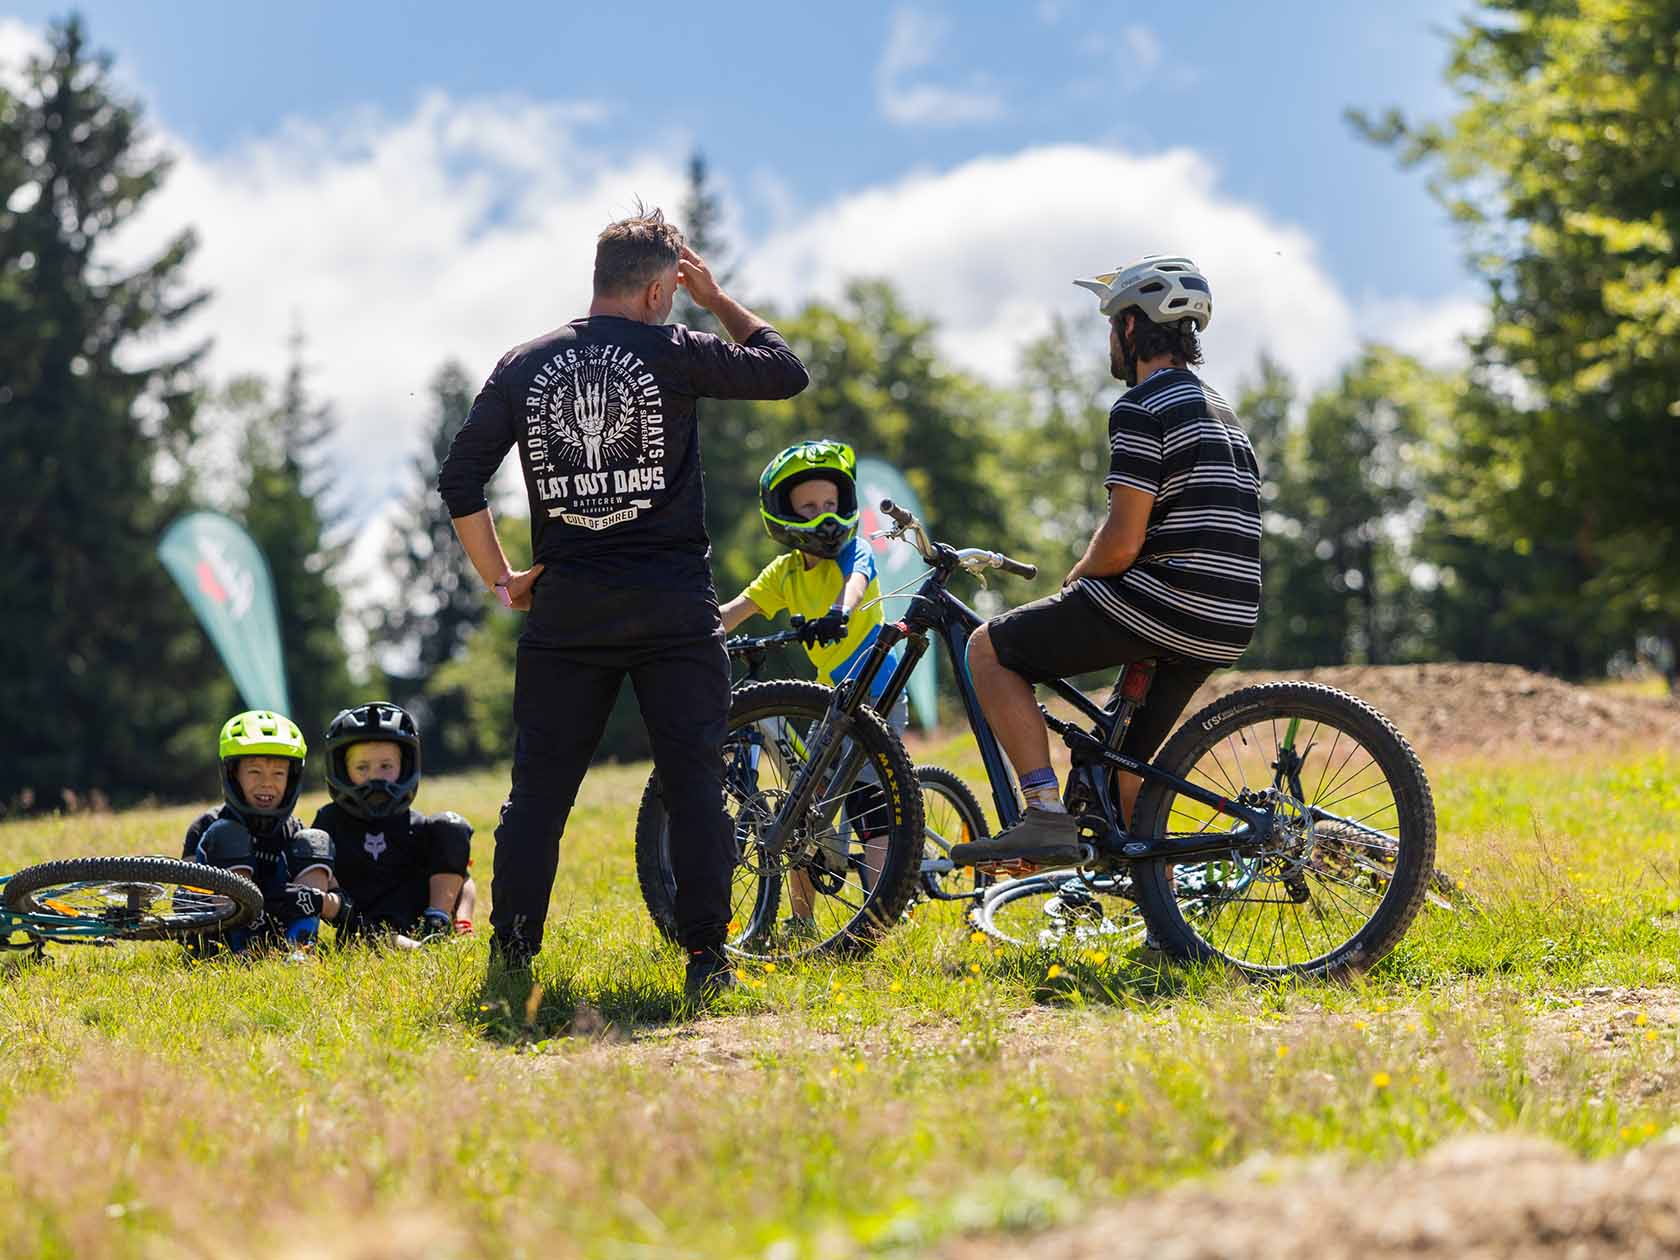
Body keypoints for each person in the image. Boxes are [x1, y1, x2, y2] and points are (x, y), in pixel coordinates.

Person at [437, 204, 809, 1003]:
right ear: (655, 291)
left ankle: (512, 958)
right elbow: (784, 370)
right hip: (673, 611)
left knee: (537, 796)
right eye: (673, 290)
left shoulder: (525, 364)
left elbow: (459, 480)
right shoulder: (675, 348)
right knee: (696, 786)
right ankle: (707, 957)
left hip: (568, 615)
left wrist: (503, 579)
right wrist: (716, 301)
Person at [952, 255, 1261, 867]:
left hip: (1166, 602)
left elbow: (1122, 541)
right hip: (1228, 618)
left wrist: (1076, 580)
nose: (1110, 344)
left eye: (1110, 326)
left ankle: (1042, 813)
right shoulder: (1225, 413)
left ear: (1129, 328)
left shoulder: (1142, 406)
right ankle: (1152, 906)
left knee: (989, 648)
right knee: (1122, 762)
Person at [720, 439, 905, 937]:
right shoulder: (784, 573)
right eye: (808, 506)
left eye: (829, 504)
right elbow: (739, 608)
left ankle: (876, 917)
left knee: (871, 807)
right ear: (784, 513)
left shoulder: (853, 550)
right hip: (833, 701)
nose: (822, 516)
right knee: (798, 811)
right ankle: (800, 921)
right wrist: (696, 636)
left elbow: (858, 581)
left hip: (875, 691)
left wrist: (839, 614)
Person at [182, 709, 355, 953]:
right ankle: (240, 948)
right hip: (220, 933)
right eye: (254, 772)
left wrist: (316, 900)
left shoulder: (295, 831)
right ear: (233, 775)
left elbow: (341, 907)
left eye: (278, 773)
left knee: (315, 841)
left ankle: (301, 948)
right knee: (227, 834)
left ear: (291, 780)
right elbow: (185, 896)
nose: (267, 783)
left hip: (278, 928)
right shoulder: (206, 825)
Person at [310, 702, 477, 946]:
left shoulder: (421, 827)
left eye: (386, 766)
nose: (375, 777)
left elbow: (464, 880)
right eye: (362, 767)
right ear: (342, 770)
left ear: (405, 767)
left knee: (451, 825)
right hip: (358, 928)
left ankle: (438, 925)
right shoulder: (328, 821)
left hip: (420, 923)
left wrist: (462, 921)